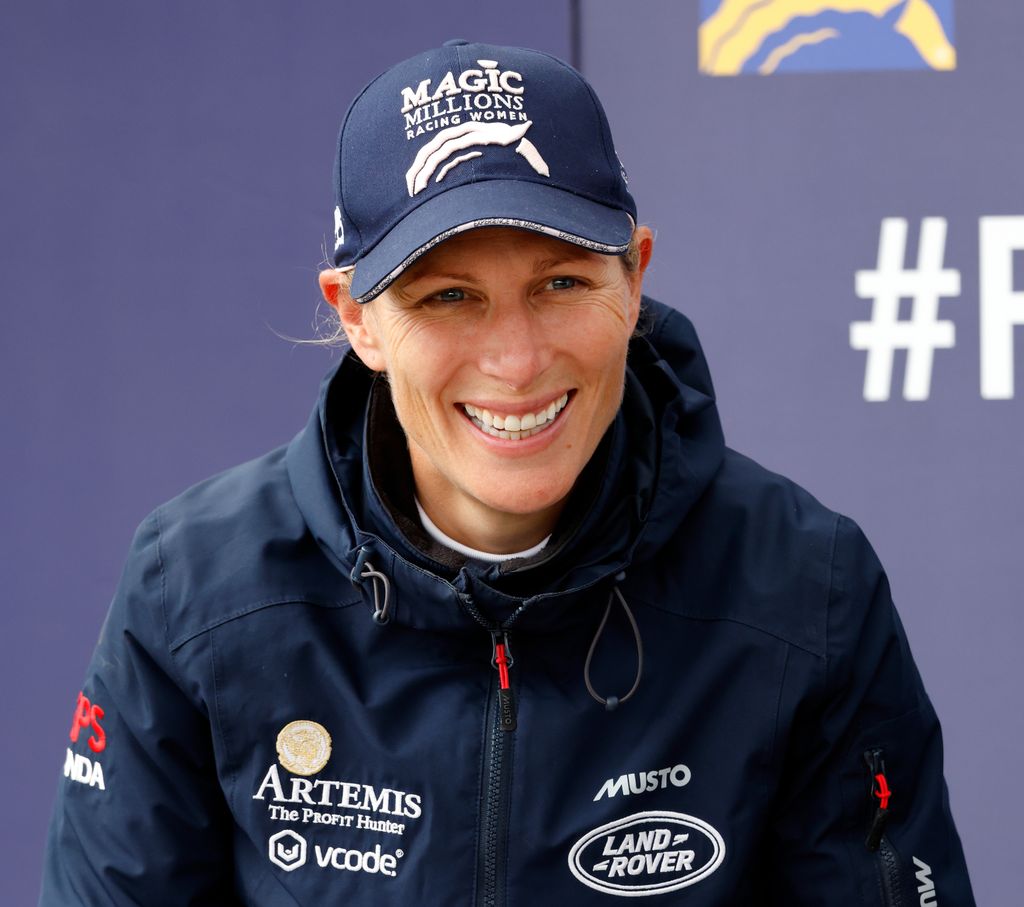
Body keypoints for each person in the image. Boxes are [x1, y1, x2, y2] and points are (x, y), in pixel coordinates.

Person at [40, 40, 975, 905]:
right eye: (449, 296)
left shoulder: (805, 591)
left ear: (635, 276)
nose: (517, 360)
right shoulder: (196, 591)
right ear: (356, 315)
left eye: (561, 283)